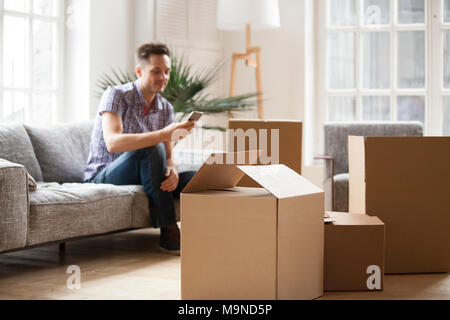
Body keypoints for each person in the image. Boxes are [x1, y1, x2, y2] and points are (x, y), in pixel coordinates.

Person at [83, 43, 196, 255]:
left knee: (197, 177)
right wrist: (163, 135)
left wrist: (171, 168)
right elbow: (113, 142)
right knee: (151, 148)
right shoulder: (116, 95)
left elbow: (169, 155)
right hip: (105, 173)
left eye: (166, 71)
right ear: (139, 71)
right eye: (156, 71)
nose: (163, 77)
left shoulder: (165, 108)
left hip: (146, 172)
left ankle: (212, 231)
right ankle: (168, 228)